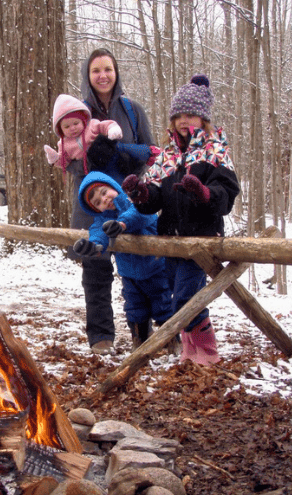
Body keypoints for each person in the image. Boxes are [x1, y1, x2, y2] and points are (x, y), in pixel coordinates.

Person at [122, 74, 240, 364]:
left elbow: (227, 193)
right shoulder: (169, 154)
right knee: (178, 292)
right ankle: (191, 351)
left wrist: (203, 193)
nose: (185, 121)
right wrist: (141, 193)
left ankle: (207, 353)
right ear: (173, 120)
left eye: (192, 115)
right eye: (180, 116)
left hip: (201, 238)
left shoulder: (215, 149)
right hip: (170, 238)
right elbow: (155, 197)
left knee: (185, 299)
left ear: (203, 118)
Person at [65, 48, 157, 355]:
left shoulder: (132, 110)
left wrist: (125, 156)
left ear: (116, 73)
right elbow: (69, 161)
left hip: (128, 201)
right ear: (87, 76)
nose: (102, 75)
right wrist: (93, 158)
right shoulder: (75, 114)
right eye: (95, 71)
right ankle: (101, 337)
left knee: (141, 267)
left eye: (108, 69)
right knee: (96, 268)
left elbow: (151, 152)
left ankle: (142, 333)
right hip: (91, 203)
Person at [72, 171, 173, 352]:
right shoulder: (103, 220)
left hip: (156, 267)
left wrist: (121, 225)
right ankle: (140, 344)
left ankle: (173, 341)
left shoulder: (136, 202)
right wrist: (93, 246)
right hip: (129, 275)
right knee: (135, 309)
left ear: (113, 186)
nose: (104, 200)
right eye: (97, 202)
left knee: (163, 305)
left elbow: (141, 215)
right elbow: (98, 233)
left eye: (104, 192)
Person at [43, 94, 123, 176]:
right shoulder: (63, 144)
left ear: (82, 120)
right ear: (61, 129)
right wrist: (55, 159)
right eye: (67, 127)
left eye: (76, 123)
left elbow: (104, 125)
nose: (72, 128)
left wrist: (112, 129)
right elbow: (65, 162)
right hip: (89, 172)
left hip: (108, 158)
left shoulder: (91, 125)